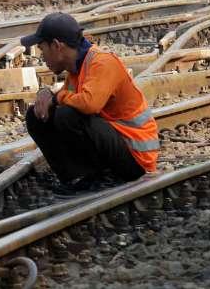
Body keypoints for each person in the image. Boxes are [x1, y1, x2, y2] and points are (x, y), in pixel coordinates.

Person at [20, 12, 159, 191]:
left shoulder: (102, 63)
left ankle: (101, 176)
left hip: (136, 157)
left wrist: (55, 98)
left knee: (68, 113)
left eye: (42, 49)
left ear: (56, 46)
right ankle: (76, 178)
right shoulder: (76, 69)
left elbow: (88, 104)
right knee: (36, 115)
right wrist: (45, 94)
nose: (42, 57)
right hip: (117, 146)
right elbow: (65, 98)